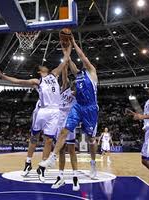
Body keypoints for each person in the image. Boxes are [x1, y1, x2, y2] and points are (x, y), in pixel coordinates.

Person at [0, 48, 71, 182]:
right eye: (42, 67)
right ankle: (28, 163)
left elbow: (65, 61)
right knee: (34, 137)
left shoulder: (54, 74)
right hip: (43, 110)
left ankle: (42, 167)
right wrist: (2, 77)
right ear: (39, 71)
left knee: (48, 140)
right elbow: (18, 81)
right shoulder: (37, 81)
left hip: (55, 111)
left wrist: (68, 47)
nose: (44, 66)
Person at [39, 35, 99, 179]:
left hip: (90, 108)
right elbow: (68, 61)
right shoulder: (78, 74)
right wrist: (65, 47)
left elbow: (82, 56)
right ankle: (52, 158)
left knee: (91, 139)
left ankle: (92, 164)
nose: (83, 61)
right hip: (78, 107)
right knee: (64, 131)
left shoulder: (91, 71)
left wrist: (73, 42)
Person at [51, 61, 79, 191]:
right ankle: (60, 176)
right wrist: (65, 63)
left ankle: (75, 178)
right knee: (61, 150)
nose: (71, 84)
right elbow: (64, 76)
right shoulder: (64, 89)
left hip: (70, 121)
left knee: (71, 150)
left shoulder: (79, 95)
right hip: (59, 122)